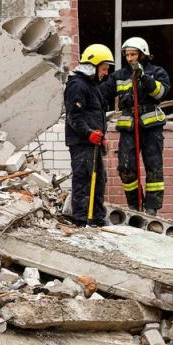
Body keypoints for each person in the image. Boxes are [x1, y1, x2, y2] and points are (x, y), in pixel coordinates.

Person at [101, 37, 171, 215]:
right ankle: (134, 203)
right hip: (129, 128)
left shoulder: (157, 72)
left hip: (151, 128)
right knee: (125, 166)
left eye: (133, 54)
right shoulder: (120, 75)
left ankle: (151, 208)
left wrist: (144, 78)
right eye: (127, 55)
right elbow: (102, 93)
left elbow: (160, 93)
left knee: (153, 166)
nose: (130, 58)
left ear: (143, 54)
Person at [64, 44, 113, 226]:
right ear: (93, 64)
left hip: (94, 142)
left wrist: (102, 137)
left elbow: (94, 115)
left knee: (99, 179)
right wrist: (88, 134)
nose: (106, 73)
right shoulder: (77, 85)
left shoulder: (92, 86)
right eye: (104, 68)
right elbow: (74, 117)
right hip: (82, 143)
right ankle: (81, 219)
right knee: (83, 179)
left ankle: (97, 218)